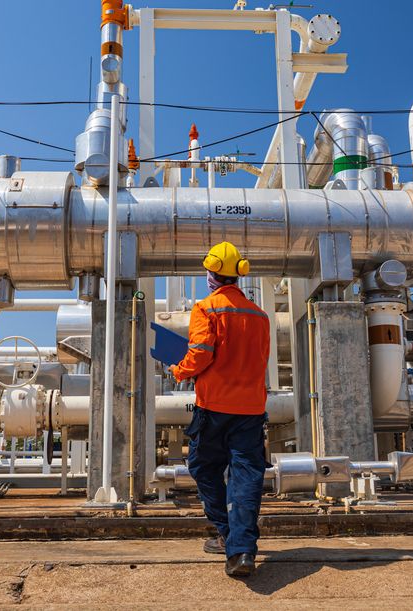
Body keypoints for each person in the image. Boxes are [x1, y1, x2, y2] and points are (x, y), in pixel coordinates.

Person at [170, 241, 271, 578]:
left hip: (214, 407)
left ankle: (229, 535)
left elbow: (199, 354)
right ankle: (240, 550)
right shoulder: (259, 316)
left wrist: (179, 370)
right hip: (251, 408)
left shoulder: (206, 308)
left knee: (202, 466)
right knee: (246, 475)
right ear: (237, 276)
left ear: (212, 274)